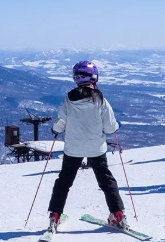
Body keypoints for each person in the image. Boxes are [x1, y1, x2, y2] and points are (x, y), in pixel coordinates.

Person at [47, 61, 126, 231]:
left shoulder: (68, 100)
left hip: (73, 149)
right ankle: (118, 215)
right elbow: (110, 128)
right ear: (95, 77)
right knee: (106, 181)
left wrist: (55, 130)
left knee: (63, 182)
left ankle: (55, 216)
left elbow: (60, 123)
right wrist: (117, 125)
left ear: (76, 78)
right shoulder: (100, 100)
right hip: (96, 148)